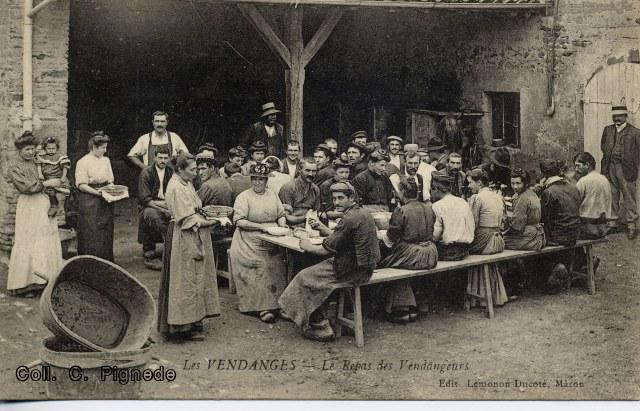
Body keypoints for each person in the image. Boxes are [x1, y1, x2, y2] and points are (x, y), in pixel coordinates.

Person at [278, 182, 380, 341]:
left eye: (341, 198)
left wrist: (306, 244)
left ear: (351, 198)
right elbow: (340, 238)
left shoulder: (349, 218)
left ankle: (320, 326)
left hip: (353, 270)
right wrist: (321, 228)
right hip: (365, 266)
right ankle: (306, 314)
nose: (336, 202)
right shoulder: (362, 213)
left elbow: (324, 250)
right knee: (315, 271)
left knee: (304, 277)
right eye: (334, 198)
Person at [157, 153, 220, 340]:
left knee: (195, 277)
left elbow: (194, 207)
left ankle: (194, 320)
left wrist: (205, 213)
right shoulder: (176, 187)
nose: (196, 173)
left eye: (197, 169)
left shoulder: (186, 182)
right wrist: (211, 222)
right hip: (183, 236)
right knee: (184, 280)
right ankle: (181, 326)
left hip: (193, 233)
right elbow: (186, 218)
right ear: (180, 169)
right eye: (192, 169)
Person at [229, 163, 288, 323]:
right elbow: (239, 221)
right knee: (262, 265)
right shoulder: (244, 197)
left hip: (272, 240)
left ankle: (279, 305)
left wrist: (282, 225)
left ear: (266, 181)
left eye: (261, 179)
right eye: (254, 179)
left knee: (279, 263)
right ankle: (262, 307)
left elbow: (281, 214)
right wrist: (262, 227)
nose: (257, 182)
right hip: (247, 241)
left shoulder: (272, 194)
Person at [6, 131, 63, 297]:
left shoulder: (39, 162)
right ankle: (24, 284)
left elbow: (54, 175)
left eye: (32, 149)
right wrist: (48, 183)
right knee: (28, 240)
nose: (30, 152)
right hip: (29, 205)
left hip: (43, 203)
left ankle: (44, 280)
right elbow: (27, 187)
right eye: (27, 150)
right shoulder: (15, 168)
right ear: (20, 151)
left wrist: (54, 193)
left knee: (44, 240)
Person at [379, 179, 438, 322]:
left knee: (384, 264)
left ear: (402, 192)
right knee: (396, 262)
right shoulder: (428, 208)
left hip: (413, 254)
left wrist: (379, 234)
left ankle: (401, 307)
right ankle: (416, 303)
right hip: (431, 252)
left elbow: (390, 239)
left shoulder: (401, 210)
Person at [465, 168, 509, 307]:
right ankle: (495, 295)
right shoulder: (497, 196)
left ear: (479, 182)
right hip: (498, 241)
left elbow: (473, 224)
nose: (469, 186)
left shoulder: (477, 198)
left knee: (462, 249)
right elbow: (503, 221)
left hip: (485, 242)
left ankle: (476, 296)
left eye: (470, 182)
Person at [539, 159, 582, 291]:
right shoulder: (573, 187)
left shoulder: (549, 192)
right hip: (575, 233)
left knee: (534, 239)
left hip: (559, 236)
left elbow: (544, 219)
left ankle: (553, 269)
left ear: (544, 175)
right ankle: (580, 263)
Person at [600, 105, 640, 239]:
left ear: (626, 116)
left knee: (629, 196)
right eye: (615, 116)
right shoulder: (608, 130)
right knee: (612, 195)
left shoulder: (635, 132)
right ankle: (612, 223)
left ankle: (632, 226)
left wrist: (631, 163)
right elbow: (603, 146)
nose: (617, 118)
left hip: (627, 169)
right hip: (610, 166)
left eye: (620, 116)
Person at [75, 132, 116, 261]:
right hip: (89, 198)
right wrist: (98, 193)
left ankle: (106, 260)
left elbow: (110, 180)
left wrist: (110, 189)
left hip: (105, 197)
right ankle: (90, 261)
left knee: (106, 228)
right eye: (102, 148)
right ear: (94, 147)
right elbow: (81, 185)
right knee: (91, 229)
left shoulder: (106, 160)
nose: (105, 150)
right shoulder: (83, 162)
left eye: (106, 147)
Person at [137, 145, 173, 271]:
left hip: (167, 203)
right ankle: (149, 251)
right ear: (155, 158)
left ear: (169, 158)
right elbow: (145, 199)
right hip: (150, 205)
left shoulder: (171, 172)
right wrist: (164, 207)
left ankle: (172, 248)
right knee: (152, 215)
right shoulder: (146, 173)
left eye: (165, 158)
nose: (163, 161)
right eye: (160, 158)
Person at [431, 172, 475, 260]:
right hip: (466, 249)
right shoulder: (463, 202)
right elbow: (472, 226)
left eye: (431, 190)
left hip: (449, 251)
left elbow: (435, 235)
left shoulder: (437, 206)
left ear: (436, 189)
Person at [503, 168, 545, 250]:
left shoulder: (522, 198)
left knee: (499, 242)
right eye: (512, 183)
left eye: (518, 183)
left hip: (529, 238)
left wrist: (504, 232)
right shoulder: (531, 193)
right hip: (538, 234)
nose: (515, 187)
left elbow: (517, 226)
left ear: (525, 183)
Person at [574, 152, 612, 239]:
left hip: (587, 228)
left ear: (587, 165)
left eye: (578, 166)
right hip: (603, 228)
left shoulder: (583, 181)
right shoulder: (604, 179)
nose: (576, 169)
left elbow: (574, 203)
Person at [35, 136, 71, 218]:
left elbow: (65, 167)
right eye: (49, 148)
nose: (51, 150)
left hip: (57, 177)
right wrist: (40, 174)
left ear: (57, 148)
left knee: (57, 192)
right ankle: (52, 206)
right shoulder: (42, 157)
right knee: (47, 191)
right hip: (47, 178)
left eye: (53, 148)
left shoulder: (60, 157)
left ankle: (55, 206)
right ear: (45, 148)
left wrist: (63, 176)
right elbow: (39, 165)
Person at [278, 158, 320, 227]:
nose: (311, 174)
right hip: (290, 226)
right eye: (307, 170)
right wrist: (307, 217)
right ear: (300, 170)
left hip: (310, 226)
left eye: (314, 171)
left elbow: (316, 212)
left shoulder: (315, 189)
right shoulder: (288, 188)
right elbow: (286, 217)